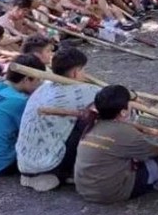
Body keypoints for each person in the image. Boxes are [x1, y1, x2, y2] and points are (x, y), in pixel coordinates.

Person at [16, 48, 98, 192]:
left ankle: (42, 174)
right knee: (91, 118)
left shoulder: (43, 88)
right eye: (83, 70)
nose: (85, 74)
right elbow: (112, 97)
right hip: (46, 162)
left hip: (24, 160)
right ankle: (64, 171)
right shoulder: (81, 91)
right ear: (75, 73)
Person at [75, 85, 158, 203]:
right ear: (123, 112)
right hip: (111, 193)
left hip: (84, 189)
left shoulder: (91, 124)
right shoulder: (126, 132)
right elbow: (155, 152)